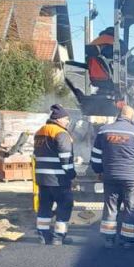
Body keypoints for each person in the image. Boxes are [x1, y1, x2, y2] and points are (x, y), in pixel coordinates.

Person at [91, 104, 134, 249]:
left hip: (110, 176)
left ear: (119, 115)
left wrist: (99, 171)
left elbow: (95, 156)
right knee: (131, 207)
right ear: (132, 117)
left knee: (111, 207)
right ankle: (128, 240)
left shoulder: (104, 130)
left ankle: (108, 240)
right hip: (131, 178)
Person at [33, 105, 76, 246]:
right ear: (58, 119)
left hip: (42, 178)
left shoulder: (40, 132)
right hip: (59, 179)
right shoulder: (60, 133)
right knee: (65, 205)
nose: (68, 122)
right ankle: (58, 236)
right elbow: (65, 157)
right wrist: (71, 174)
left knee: (44, 206)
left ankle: (43, 236)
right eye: (66, 119)